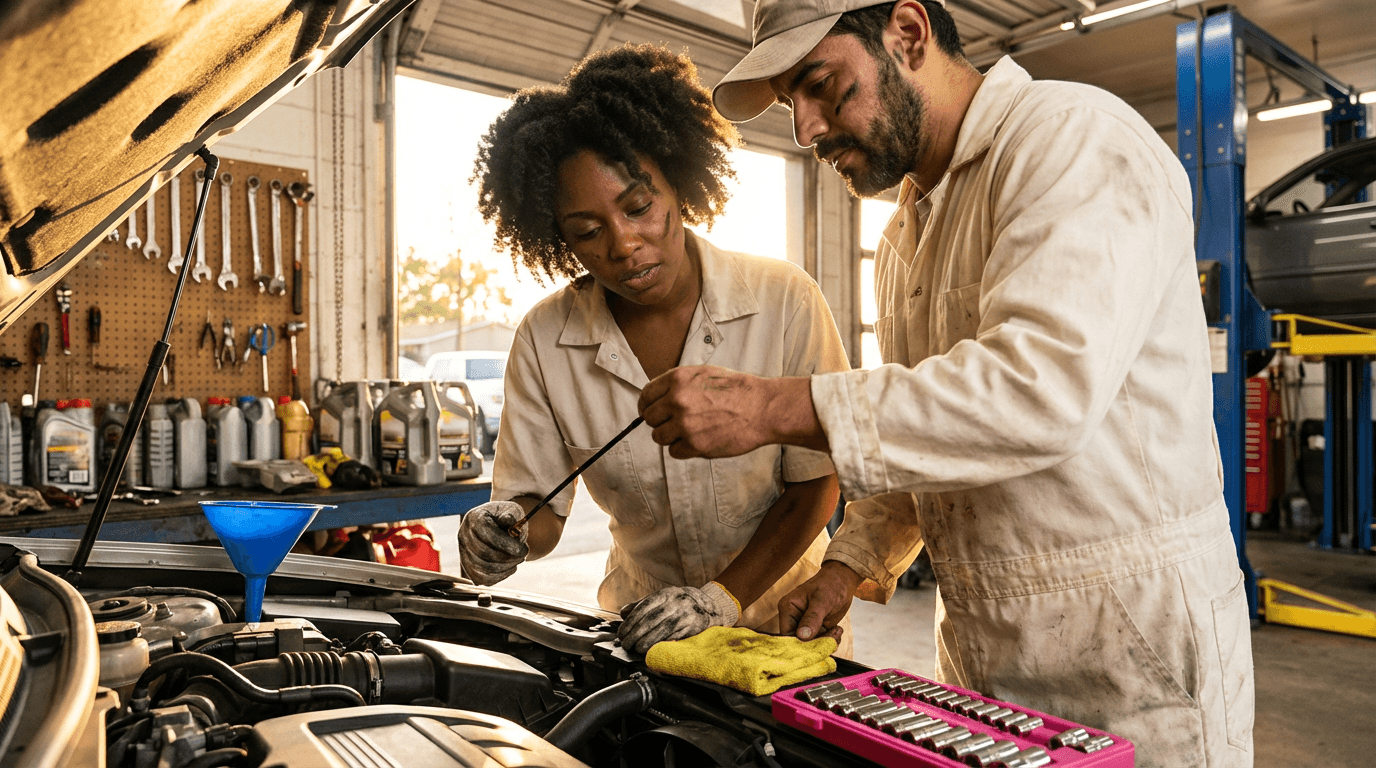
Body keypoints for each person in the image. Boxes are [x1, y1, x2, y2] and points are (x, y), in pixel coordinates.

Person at [636, 1, 1255, 766]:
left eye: (822, 86)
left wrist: (773, 405)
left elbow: (1038, 392)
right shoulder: (906, 236)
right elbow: (928, 441)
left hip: (1129, 642)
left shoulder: (1071, 141)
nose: (807, 128)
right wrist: (846, 566)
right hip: (979, 648)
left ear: (908, 33)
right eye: (791, 103)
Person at [459, 43, 857, 656]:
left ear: (679, 183)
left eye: (640, 207)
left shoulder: (785, 302)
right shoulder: (545, 339)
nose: (623, 244)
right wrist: (501, 531)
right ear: (557, 239)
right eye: (588, 232)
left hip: (787, 629)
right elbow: (539, 507)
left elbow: (815, 485)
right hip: (642, 638)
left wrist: (719, 599)